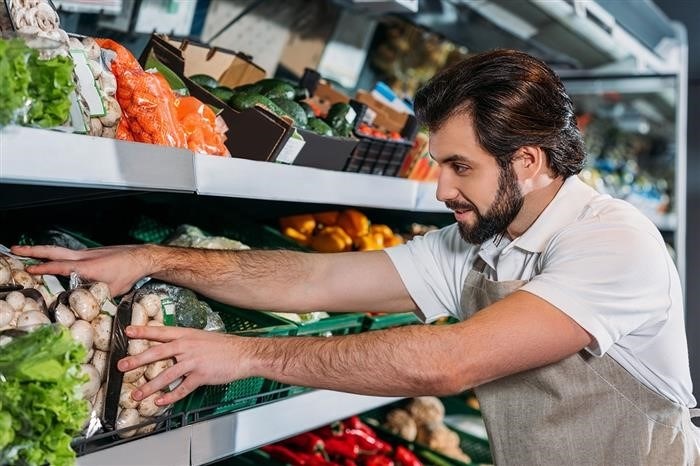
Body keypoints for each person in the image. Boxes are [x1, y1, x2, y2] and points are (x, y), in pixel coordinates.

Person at [14, 49, 699, 464]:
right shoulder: (483, 243)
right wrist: (150, 258)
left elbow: (448, 361)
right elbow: (318, 274)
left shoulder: (613, 243)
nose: (439, 188)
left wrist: (250, 356)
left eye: (459, 166)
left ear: (527, 160)